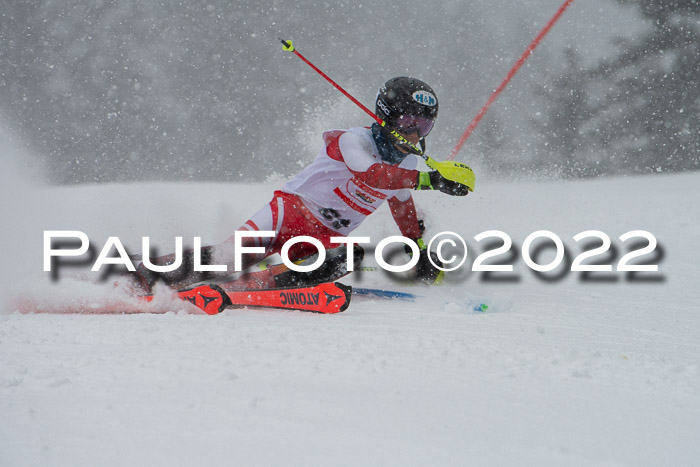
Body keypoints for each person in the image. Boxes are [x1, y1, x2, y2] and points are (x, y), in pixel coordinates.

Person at [130, 76, 469, 294]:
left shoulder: (408, 163)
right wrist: (432, 180)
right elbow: (372, 175)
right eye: (408, 122)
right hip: (287, 215)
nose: (414, 135)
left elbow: (401, 206)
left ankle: (253, 287)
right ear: (386, 115)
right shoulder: (355, 140)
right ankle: (146, 274)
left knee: (348, 256)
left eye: (423, 127)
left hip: (325, 238)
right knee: (227, 259)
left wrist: (420, 250)